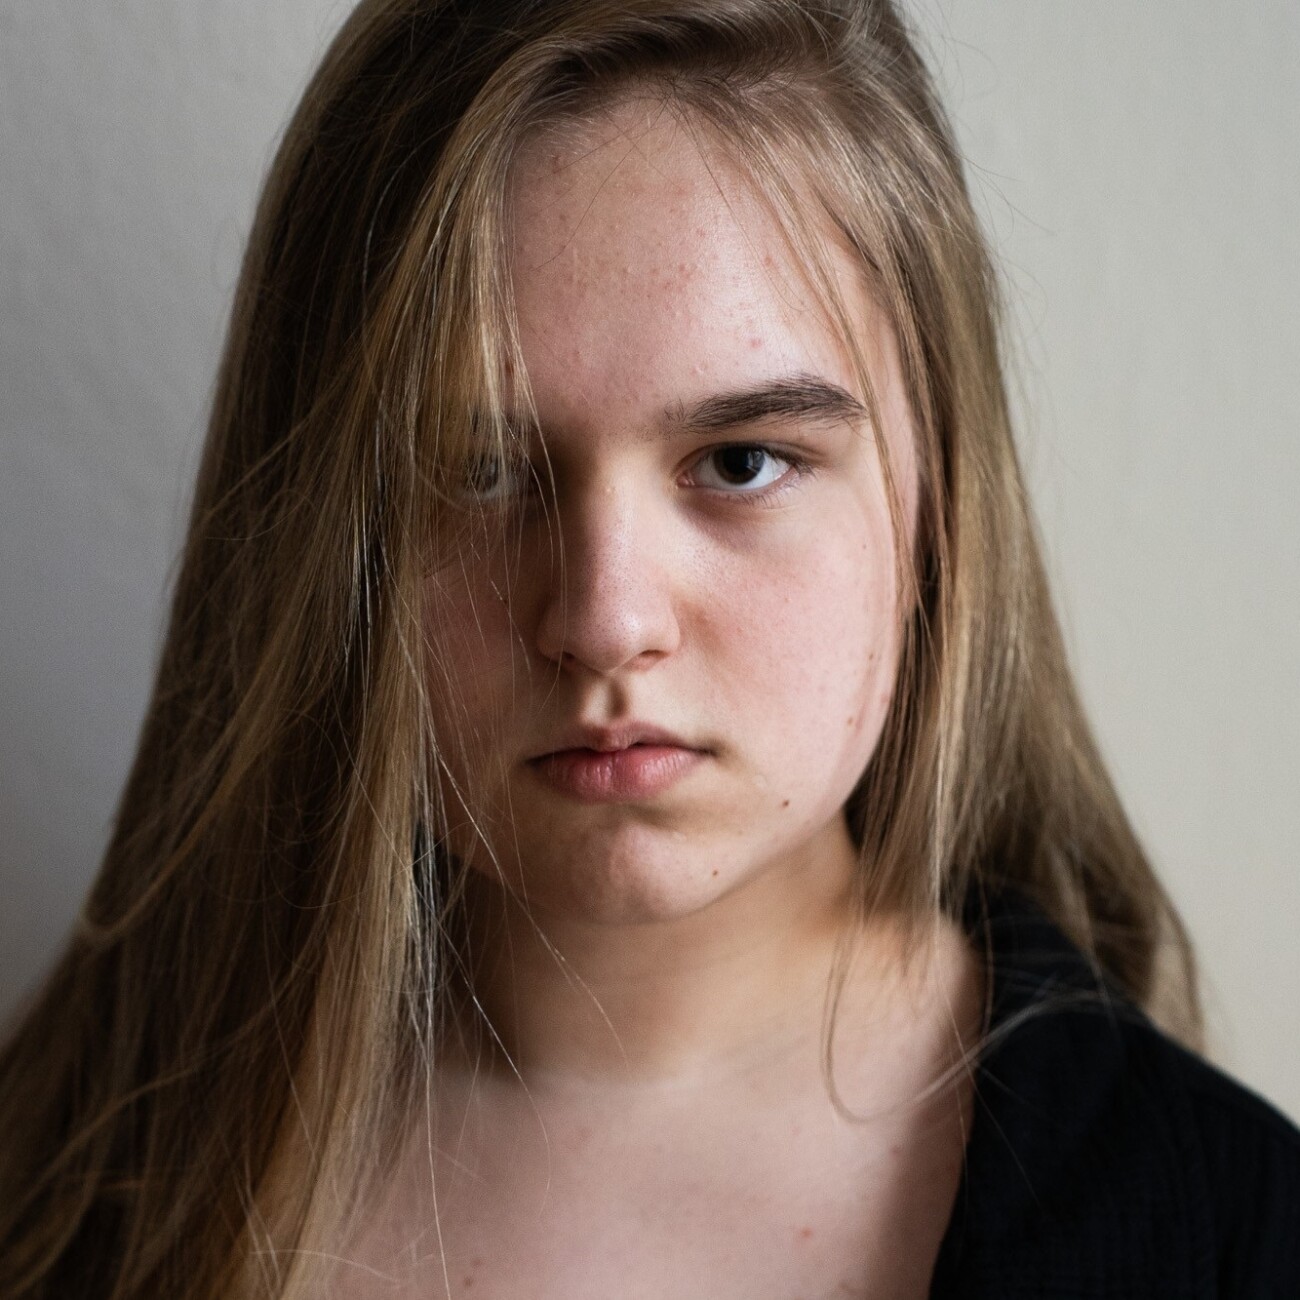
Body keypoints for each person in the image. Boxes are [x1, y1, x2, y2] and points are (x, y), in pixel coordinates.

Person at [1, 1, 1297, 1296]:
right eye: (476, 471)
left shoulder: (1231, 1239)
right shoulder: (62, 1190)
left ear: (936, 503)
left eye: (741, 462)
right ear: (312, 538)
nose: (606, 622)